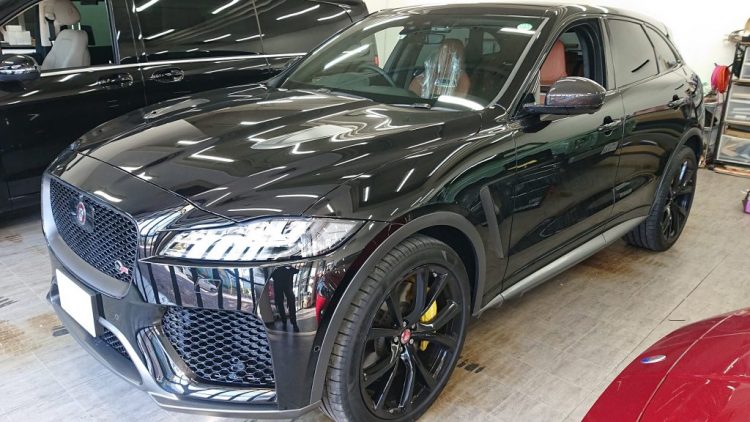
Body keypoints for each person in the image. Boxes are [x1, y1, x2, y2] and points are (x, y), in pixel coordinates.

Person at [270, 265, 300, 332]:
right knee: (290, 305)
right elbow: (297, 271)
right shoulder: (288, 270)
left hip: (281, 289)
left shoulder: (275, 271)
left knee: (282, 305)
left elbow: (269, 276)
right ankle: (293, 323)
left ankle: (286, 322)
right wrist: (289, 265)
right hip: (286, 288)